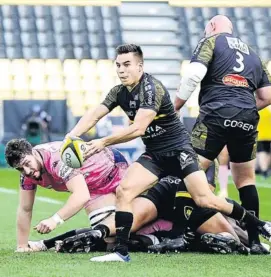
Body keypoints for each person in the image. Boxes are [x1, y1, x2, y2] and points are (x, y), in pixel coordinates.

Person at [64, 43, 271, 262]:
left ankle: (260, 225)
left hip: (180, 152)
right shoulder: (118, 92)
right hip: (155, 155)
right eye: (118, 65)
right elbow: (95, 114)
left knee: (206, 199)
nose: (121, 70)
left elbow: (138, 128)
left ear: (140, 66)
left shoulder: (152, 88)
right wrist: (71, 136)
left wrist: (102, 142)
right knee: (124, 191)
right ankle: (121, 252)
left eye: (127, 65)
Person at [174, 15, 271, 254]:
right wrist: (242, 110)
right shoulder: (253, 53)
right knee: (246, 181)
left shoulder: (212, 41)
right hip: (247, 118)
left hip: (215, 114)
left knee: (189, 170)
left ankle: (181, 236)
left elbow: (193, 75)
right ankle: (255, 242)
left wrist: (175, 106)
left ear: (213, 26)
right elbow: (267, 96)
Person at [29, 162, 249, 255]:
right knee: (115, 234)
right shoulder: (135, 219)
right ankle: (240, 241)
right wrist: (45, 243)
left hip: (180, 208)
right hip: (164, 205)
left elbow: (209, 198)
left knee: (229, 236)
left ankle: (247, 241)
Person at [4, 138, 128, 253]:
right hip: (95, 189)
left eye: (27, 163)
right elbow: (25, 209)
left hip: (115, 169)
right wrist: (22, 245)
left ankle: (45, 244)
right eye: (20, 169)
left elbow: (81, 195)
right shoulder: (27, 176)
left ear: (33, 152)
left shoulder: (57, 160)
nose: (26, 171)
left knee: (137, 225)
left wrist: (55, 220)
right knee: (110, 238)